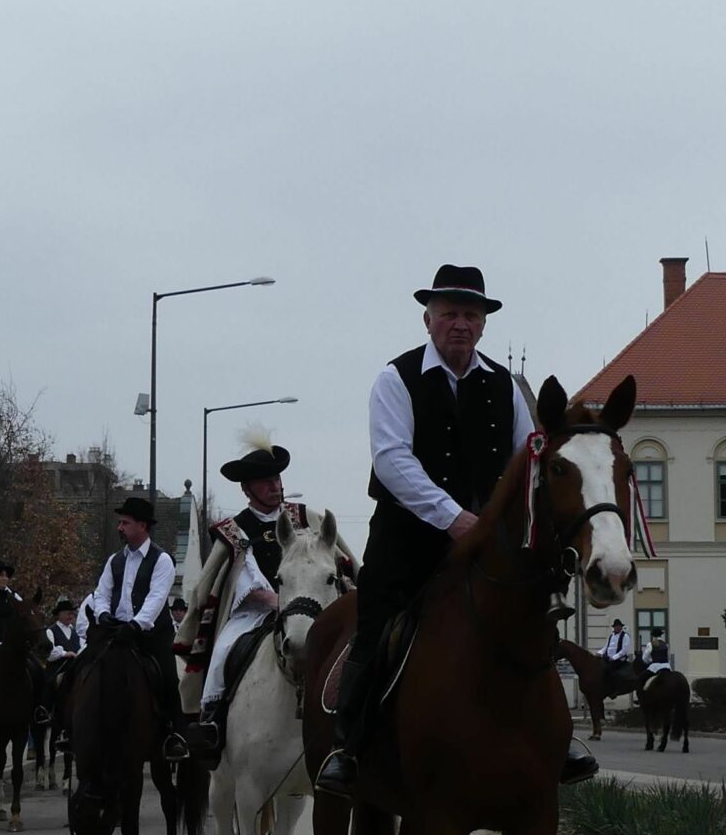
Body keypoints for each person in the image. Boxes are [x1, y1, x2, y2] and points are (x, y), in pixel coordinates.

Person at [319, 263, 592, 794]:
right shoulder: (394, 380)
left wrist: (508, 525)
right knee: (375, 621)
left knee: (532, 611)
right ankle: (348, 746)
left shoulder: (506, 388)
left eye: (471, 314)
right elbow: (392, 461)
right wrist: (455, 517)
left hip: (487, 540)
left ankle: (558, 739)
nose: (460, 324)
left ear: (484, 324)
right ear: (428, 320)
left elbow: (525, 460)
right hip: (408, 538)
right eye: (449, 314)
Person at [180, 439, 302, 765]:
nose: (276, 486)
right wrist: (276, 601)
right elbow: (245, 581)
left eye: (277, 479)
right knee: (221, 653)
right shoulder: (236, 530)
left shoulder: (302, 519)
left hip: (301, 610)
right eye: (267, 481)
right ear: (248, 489)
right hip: (252, 613)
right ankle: (211, 721)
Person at [80, 495, 185, 754]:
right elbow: (102, 593)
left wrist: (137, 625)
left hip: (150, 636)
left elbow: (157, 599)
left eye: (125, 523)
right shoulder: (115, 560)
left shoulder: (162, 560)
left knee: (170, 681)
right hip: (115, 632)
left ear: (142, 526)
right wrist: (103, 614)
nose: (120, 527)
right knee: (80, 667)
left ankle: (175, 734)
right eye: (120, 523)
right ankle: (69, 725)